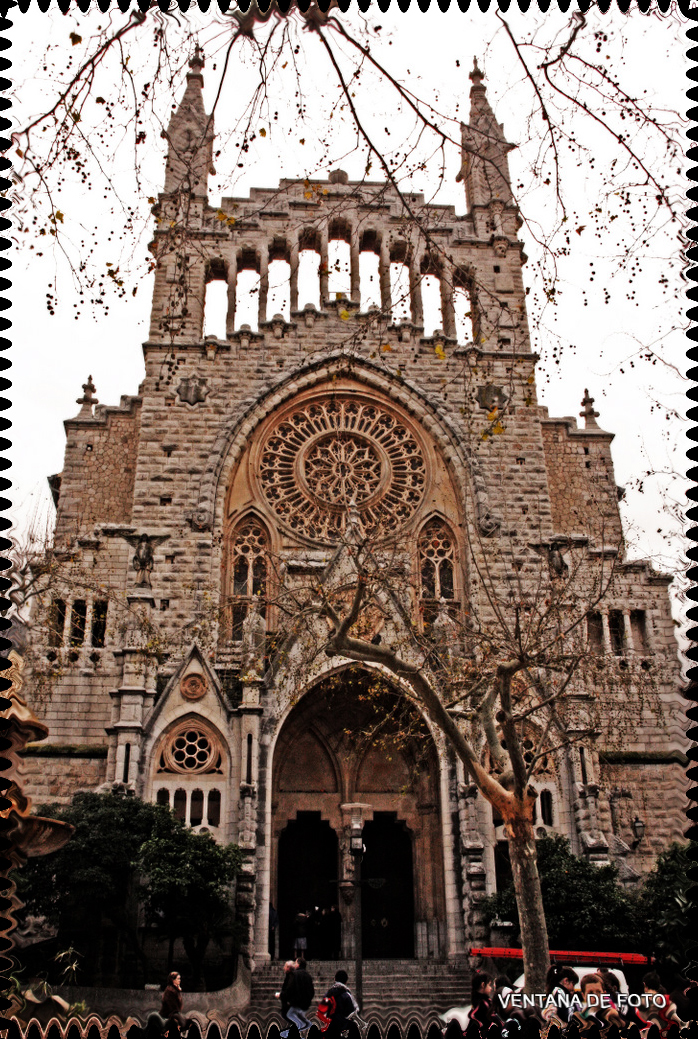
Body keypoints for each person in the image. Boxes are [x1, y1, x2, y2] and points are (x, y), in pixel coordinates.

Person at [146, 972, 193, 1038]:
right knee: (183, 1022)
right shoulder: (170, 990)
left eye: (180, 979)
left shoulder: (175, 989)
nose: (180, 980)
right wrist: (176, 1014)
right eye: (178, 979)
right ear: (173, 980)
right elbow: (172, 1005)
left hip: (174, 1012)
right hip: (168, 1014)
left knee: (188, 1021)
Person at [318, 969, 362, 1038]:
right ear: (346, 981)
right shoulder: (347, 995)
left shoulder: (328, 994)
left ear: (334, 979)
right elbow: (354, 1011)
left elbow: (322, 1010)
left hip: (330, 1028)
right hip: (343, 1029)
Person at [285, 957, 315, 1035]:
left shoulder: (294, 974)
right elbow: (312, 990)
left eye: (295, 963)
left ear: (298, 964)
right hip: (305, 1001)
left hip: (296, 1001)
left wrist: (289, 999)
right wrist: (308, 999)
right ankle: (305, 1024)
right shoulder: (308, 975)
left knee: (290, 1014)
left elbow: (290, 988)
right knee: (298, 1014)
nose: (294, 965)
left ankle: (301, 1025)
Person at [468, 972, 501, 1037]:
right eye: (489, 985)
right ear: (483, 985)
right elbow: (473, 1015)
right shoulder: (483, 1003)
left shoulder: (479, 1001)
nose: (491, 988)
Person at [276, 960, 298, 1026]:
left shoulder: (291, 976)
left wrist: (280, 995)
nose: (284, 968)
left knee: (286, 1015)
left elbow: (289, 989)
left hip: (289, 1001)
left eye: (285, 966)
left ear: (288, 968)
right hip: (289, 1000)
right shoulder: (290, 975)